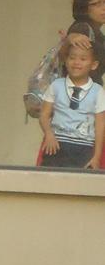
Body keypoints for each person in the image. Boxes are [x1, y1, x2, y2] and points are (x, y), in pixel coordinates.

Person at [39, 35, 105, 169]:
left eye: (83, 59)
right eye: (72, 58)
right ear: (66, 60)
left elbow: (100, 125)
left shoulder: (98, 91)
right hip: (56, 145)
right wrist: (49, 134)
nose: (76, 62)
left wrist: (96, 156)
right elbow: (44, 115)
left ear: (94, 65)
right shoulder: (56, 85)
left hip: (84, 149)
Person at [64, 0, 105, 82]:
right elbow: (77, 69)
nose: (104, 8)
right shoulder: (82, 30)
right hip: (81, 91)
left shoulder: (95, 32)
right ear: (84, 7)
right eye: (97, 4)